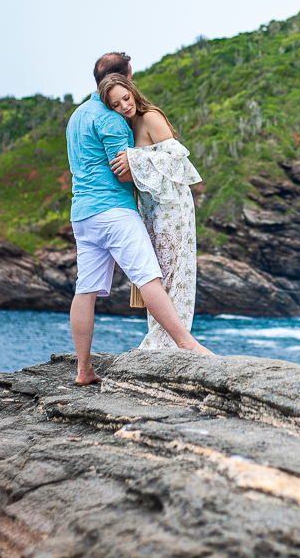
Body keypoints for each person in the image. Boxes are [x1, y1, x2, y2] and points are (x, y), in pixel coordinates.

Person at [65, 52, 213, 385]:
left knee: (85, 290)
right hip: (113, 212)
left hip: (82, 216)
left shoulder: (76, 117)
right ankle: (188, 344)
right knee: (149, 278)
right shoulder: (111, 119)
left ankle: (84, 370)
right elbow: (124, 174)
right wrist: (139, 163)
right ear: (126, 76)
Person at [99, 73, 201, 350]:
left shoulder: (150, 117)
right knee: (158, 274)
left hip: (173, 207)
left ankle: (171, 342)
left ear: (133, 92)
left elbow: (178, 161)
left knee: (172, 273)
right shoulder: (125, 127)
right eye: (116, 104)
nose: (124, 106)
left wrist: (135, 157)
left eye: (126, 98)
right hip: (151, 210)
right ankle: (167, 340)